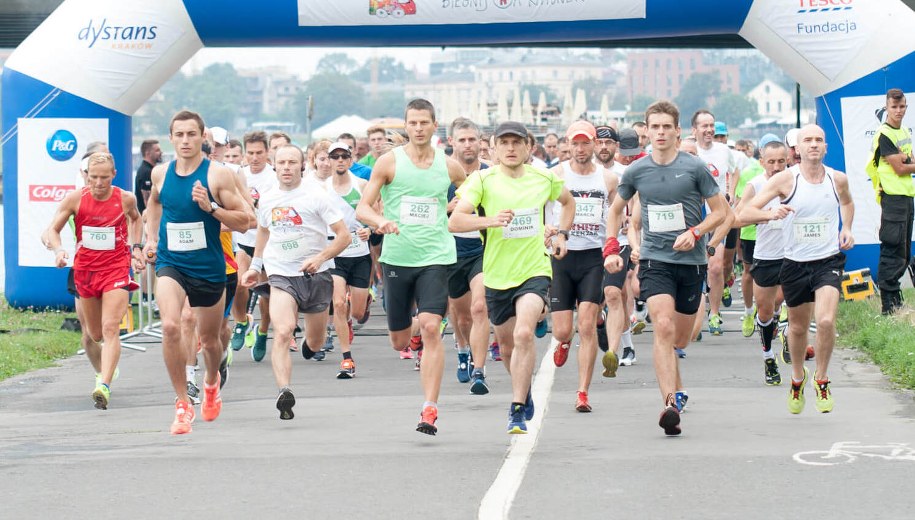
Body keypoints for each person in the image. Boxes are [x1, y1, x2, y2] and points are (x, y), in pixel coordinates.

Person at [604, 100, 727, 435]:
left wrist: (696, 232)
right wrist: (612, 248)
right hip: (655, 261)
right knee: (662, 325)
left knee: (681, 338)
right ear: (647, 130)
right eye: (654, 127)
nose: (660, 133)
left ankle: (677, 383)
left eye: (665, 127)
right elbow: (615, 211)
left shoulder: (694, 167)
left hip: (692, 261)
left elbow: (721, 212)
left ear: (676, 131)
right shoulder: (636, 171)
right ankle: (670, 403)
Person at [451, 120, 573, 434]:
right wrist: (492, 220)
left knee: (523, 334)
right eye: (503, 143)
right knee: (506, 348)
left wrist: (560, 234)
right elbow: (455, 222)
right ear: (492, 148)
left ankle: (516, 408)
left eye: (516, 143)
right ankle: (524, 389)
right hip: (496, 274)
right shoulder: (482, 180)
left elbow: (568, 203)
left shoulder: (544, 177)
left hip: (534, 269)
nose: (510, 148)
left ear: (528, 147)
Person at [355, 98, 466, 435]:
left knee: (433, 326)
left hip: (436, 256)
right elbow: (362, 208)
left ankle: (429, 408)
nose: (418, 128)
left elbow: (471, 191)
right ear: (407, 126)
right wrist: (380, 221)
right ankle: (412, 338)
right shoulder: (389, 163)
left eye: (424, 123)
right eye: (413, 123)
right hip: (397, 258)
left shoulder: (449, 167)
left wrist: (459, 204)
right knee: (398, 340)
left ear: (435, 127)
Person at [143, 110, 253, 435]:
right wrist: (150, 238)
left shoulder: (217, 175)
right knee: (170, 326)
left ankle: (210, 381)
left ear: (202, 137)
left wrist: (212, 208)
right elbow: (154, 205)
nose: (186, 140)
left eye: (192, 134)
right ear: (171, 138)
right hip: (171, 262)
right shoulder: (161, 174)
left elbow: (246, 219)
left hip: (208, 266)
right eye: (179, 135)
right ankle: (181, 404)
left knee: (210, 339)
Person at [742, 125, 854, 414]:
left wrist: (848, 229)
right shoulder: (784, 181)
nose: (814, 145)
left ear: (825, 147)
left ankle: (822, 377)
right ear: (798, 150)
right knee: (797, 327)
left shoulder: (836, 179)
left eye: (819, 140)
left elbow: (847, 202)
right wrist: (769, 213)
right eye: (808, 140)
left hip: (828, 260)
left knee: (826, 321)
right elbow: (745, 213)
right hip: (793, 264)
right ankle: (797, 377)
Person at [241, 145, 349, 418]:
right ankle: (284, 391)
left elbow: (344, 235)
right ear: (273, 165)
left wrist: (321, 257)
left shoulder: (317, 195)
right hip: (281, 274)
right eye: (282, 162)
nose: (287, 167)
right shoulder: (267, 199)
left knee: (315, 342)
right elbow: (263, 232)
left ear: (302, 165)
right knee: (283, 330)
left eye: (292, 162)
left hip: (317, 274)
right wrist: (256, 266)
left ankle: (309, 347)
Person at [44, 152, 144, 409]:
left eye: (104, 178)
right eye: (94, 177)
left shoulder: (125, 198)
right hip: (86, 272)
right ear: (86, 175)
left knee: (111, 328)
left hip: (116, 269)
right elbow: (51, 230)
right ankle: (106, 368)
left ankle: (104, 385)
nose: (98, 183)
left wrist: (135, 249)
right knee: (94, 334)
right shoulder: (76, 199)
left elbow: (136, 219)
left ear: (114, 175)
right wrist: (58, 251)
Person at [548, 120, 618, 413]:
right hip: (562, 256)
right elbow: (540, 207)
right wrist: (547, 231)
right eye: (574, 144)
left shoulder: (609, 179)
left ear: (594, 144)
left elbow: (615, 213)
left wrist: (616, 244)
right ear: (568, 145)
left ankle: (582, 392)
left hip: (592, 256)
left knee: (586, 325)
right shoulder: (554, 175)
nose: (580, 149)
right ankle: (564, 342)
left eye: (585, 143)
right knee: (563, 330)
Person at [735, 136, 790, 385]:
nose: (777, 167)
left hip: (794, 253)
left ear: (788, 160)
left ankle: (787, 330)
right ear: (762, 161)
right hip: (766, 254)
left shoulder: (796, 181)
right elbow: (738, 218)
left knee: (784, 299)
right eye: (771, 162)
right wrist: (767, 215)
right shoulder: (756, 185)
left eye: (781, 161)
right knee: (765, 310)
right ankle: (768, 355)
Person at [445, 118, 492, 392]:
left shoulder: (490, 173)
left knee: (479, 307)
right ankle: (462, 347)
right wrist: (446, 210)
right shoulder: (441, 174)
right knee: (461, 316)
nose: (467, 145)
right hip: (451, 249)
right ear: (452, 142)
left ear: (480, 141)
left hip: (483, 249)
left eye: (472, 139)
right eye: (461, 140)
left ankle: (479, 369)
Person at [324, 142, 373, 379]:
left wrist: (370, 230)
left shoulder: (361, 185)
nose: (340, 160)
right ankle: (347, 359)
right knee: (339, 304)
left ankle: (363, 303)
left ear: (350, 159)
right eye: (335, 156)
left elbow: (377, 213)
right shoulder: (321, 189)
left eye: (344, 156)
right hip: (334, 253)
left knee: (357, 312)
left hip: (360, 253)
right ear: (329, 160)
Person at [866, 88, 915, 314]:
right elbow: (900, 167)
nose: (898, 111)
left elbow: (909, 159)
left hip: (906, 196)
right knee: (892, 250)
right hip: (893, 198)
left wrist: (907, 161)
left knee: (903, 252)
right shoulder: (884, 134)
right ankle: (888, 306)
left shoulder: (903, 130)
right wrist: (906, 161)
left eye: (902, 106)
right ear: (886, 108)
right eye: (894, 107)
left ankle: (896, 302)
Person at [230, 131, 276, 360]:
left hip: (268, 243)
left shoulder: (274, 177)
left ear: (267, 152)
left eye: (259, 153)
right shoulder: (239, 175)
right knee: (240, 284)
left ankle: (263, 331)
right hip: (245, 240)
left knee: (266, 297)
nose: (255, 158)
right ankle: (241, 322)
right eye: (251, 153)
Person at [692, 110, 738, 335]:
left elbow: (735, 170)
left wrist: (731, 193)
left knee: (716, 266)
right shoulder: (689, 151)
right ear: (695, 130)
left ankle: (715, 313)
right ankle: (694, 316)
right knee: (694, 268)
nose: (709, 130)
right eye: (704, 126)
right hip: (695, 216)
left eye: (711, 125)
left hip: (718, 214)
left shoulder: (723, 151)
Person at [135, 140, 161, 215]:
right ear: (148, 153)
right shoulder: (146, 172)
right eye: (157, 150)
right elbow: (147, 201)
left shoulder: (150, 170)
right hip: (148, 218)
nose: (161, 153)